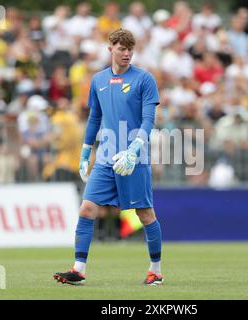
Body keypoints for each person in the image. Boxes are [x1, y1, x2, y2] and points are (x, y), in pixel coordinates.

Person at [53, 28, 163, 286]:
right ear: (110, 49)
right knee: (87, 208)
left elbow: (149, 119)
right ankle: (78, 269)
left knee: (145, 214)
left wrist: (136, 147)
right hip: (105, 157)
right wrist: (84, 150)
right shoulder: (98, 80)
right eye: (121, 48)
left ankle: (155, 270)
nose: (126, 54)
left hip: (133, 158)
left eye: (130, 49)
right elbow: (95, 117)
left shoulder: (144, 80)